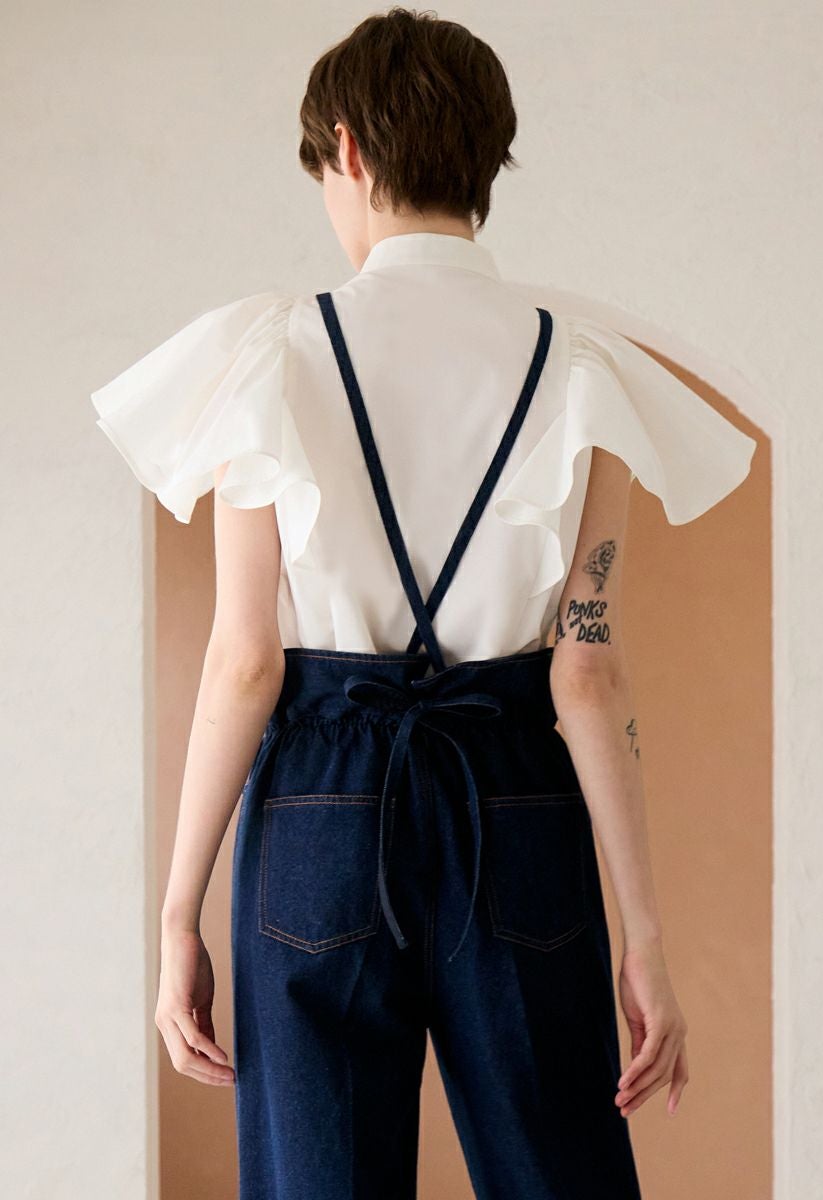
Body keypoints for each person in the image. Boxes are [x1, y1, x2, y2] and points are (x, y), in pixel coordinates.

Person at [90, 9, 757, 1198]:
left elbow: (246, 661)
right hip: (517, 795)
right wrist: (644, 938)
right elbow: (587, 669)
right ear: (488, 157)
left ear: (346, 149)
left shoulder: (272, 356)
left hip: (318, 805)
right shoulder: (580, 367)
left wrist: (177, 912)